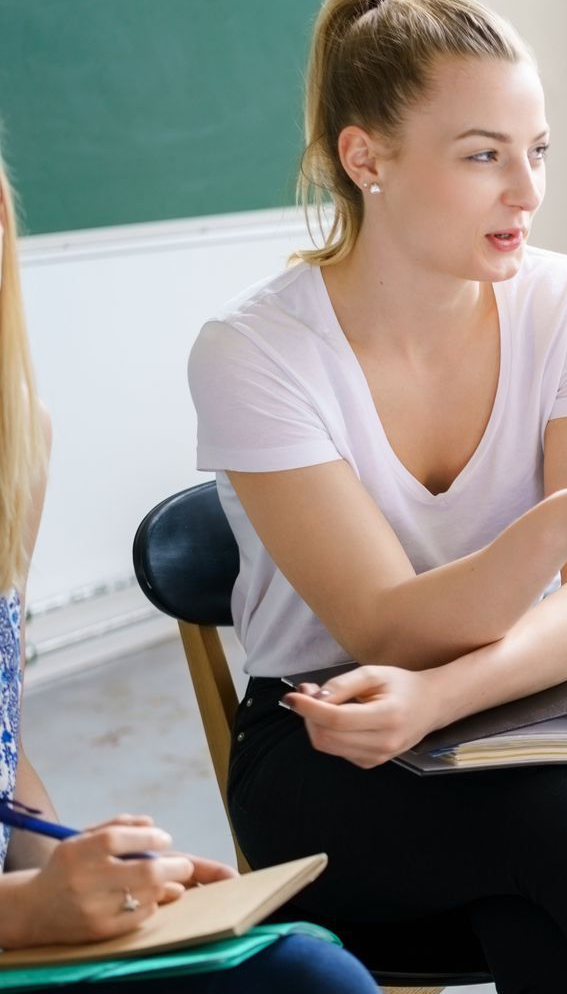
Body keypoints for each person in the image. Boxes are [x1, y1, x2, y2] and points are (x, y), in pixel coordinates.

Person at [186, 0, 567, 993]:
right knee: (563, 826)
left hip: (530, 689)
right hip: (333, 732)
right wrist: (555, 528)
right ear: (366, 159)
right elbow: (387, 631)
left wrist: (447, 696)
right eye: (483, 156)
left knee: (545, 874)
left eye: (537, 151)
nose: (527, 192)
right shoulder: (256, 351)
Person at [0, 149, 376, 991]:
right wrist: (24, 912)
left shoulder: (15, 439)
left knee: (313, 974)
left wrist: (87, 876)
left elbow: (4, 759)